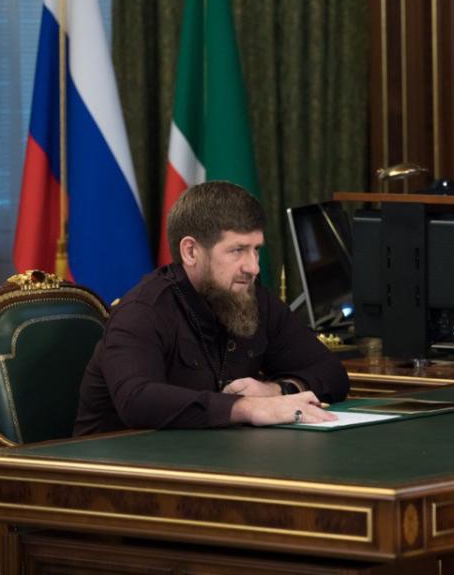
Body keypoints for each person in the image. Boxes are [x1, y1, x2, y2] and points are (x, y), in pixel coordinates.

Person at [74, 181, 348, 435]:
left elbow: (332, 372)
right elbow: (137, 401)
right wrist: (248, 407)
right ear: (191, 251)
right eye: (237, 250)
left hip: (211, 458)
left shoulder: (251, 296)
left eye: (256, 250)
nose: (253, 267)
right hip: (115, 463)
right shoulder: (142, 310)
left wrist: (277, 390)